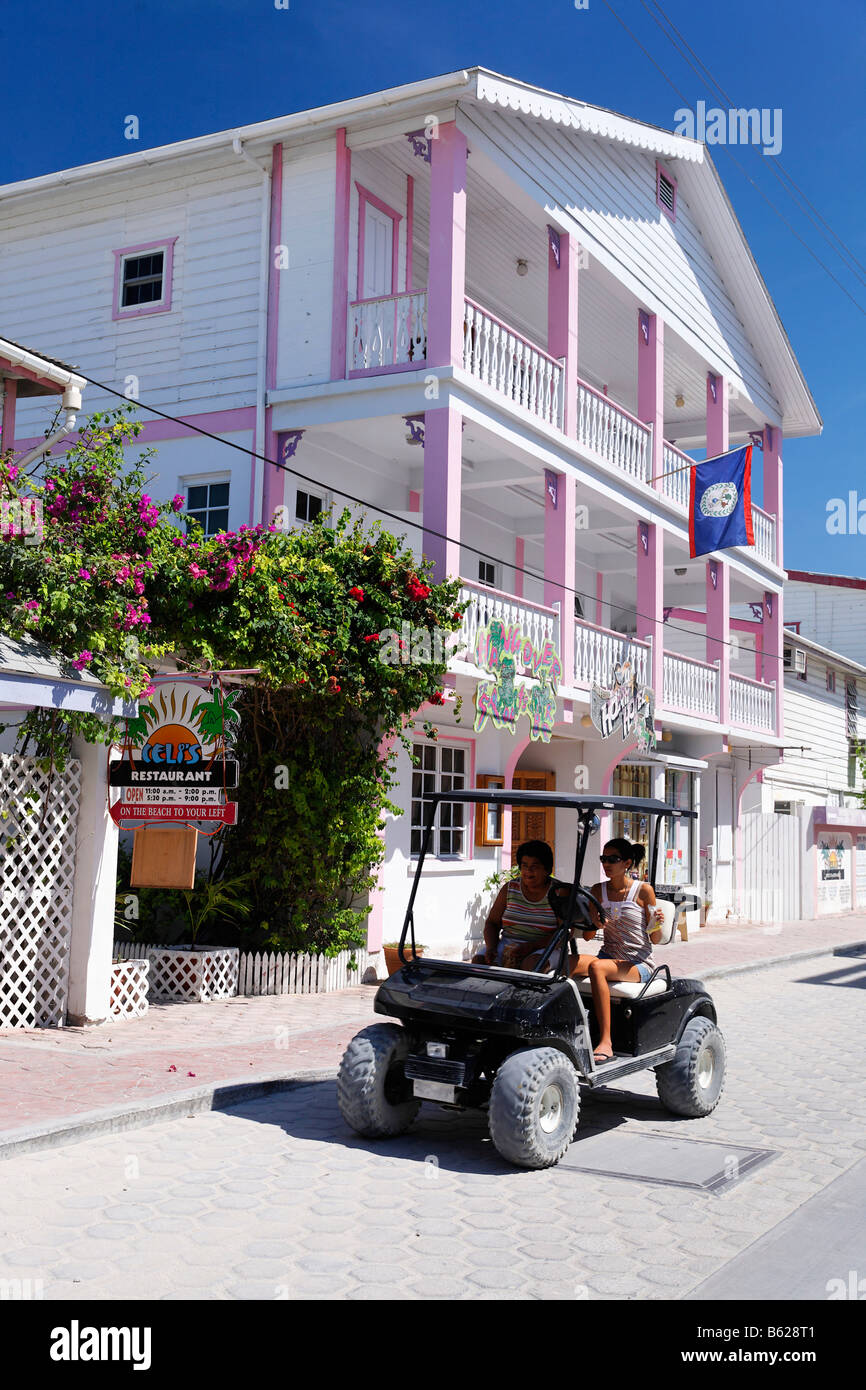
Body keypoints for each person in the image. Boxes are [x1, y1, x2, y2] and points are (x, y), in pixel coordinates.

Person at [571, 838, 665, 1064]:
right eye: (604, 859)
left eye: (613, 859)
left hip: (638, 962)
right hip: (608, 957)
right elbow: (588, 936)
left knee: (596, 967)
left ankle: (606, 1041)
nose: (607, 864)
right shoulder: (597, 890)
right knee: (563, 962)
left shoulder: (643, 891)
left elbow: (655, 938)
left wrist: (657, 922)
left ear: (627, 863)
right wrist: (594, 922)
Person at [473, 840, 570, 970]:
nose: (528, 871)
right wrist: (491, 947)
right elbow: (492, 923)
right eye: (524, 865)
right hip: (509, 946)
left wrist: (532, 946)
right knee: (479, 962)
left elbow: (564, 933)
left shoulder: (559, 892)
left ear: (547, 869)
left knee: (531, 966)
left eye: (535, 866)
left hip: (547, 948)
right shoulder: (510, 888)